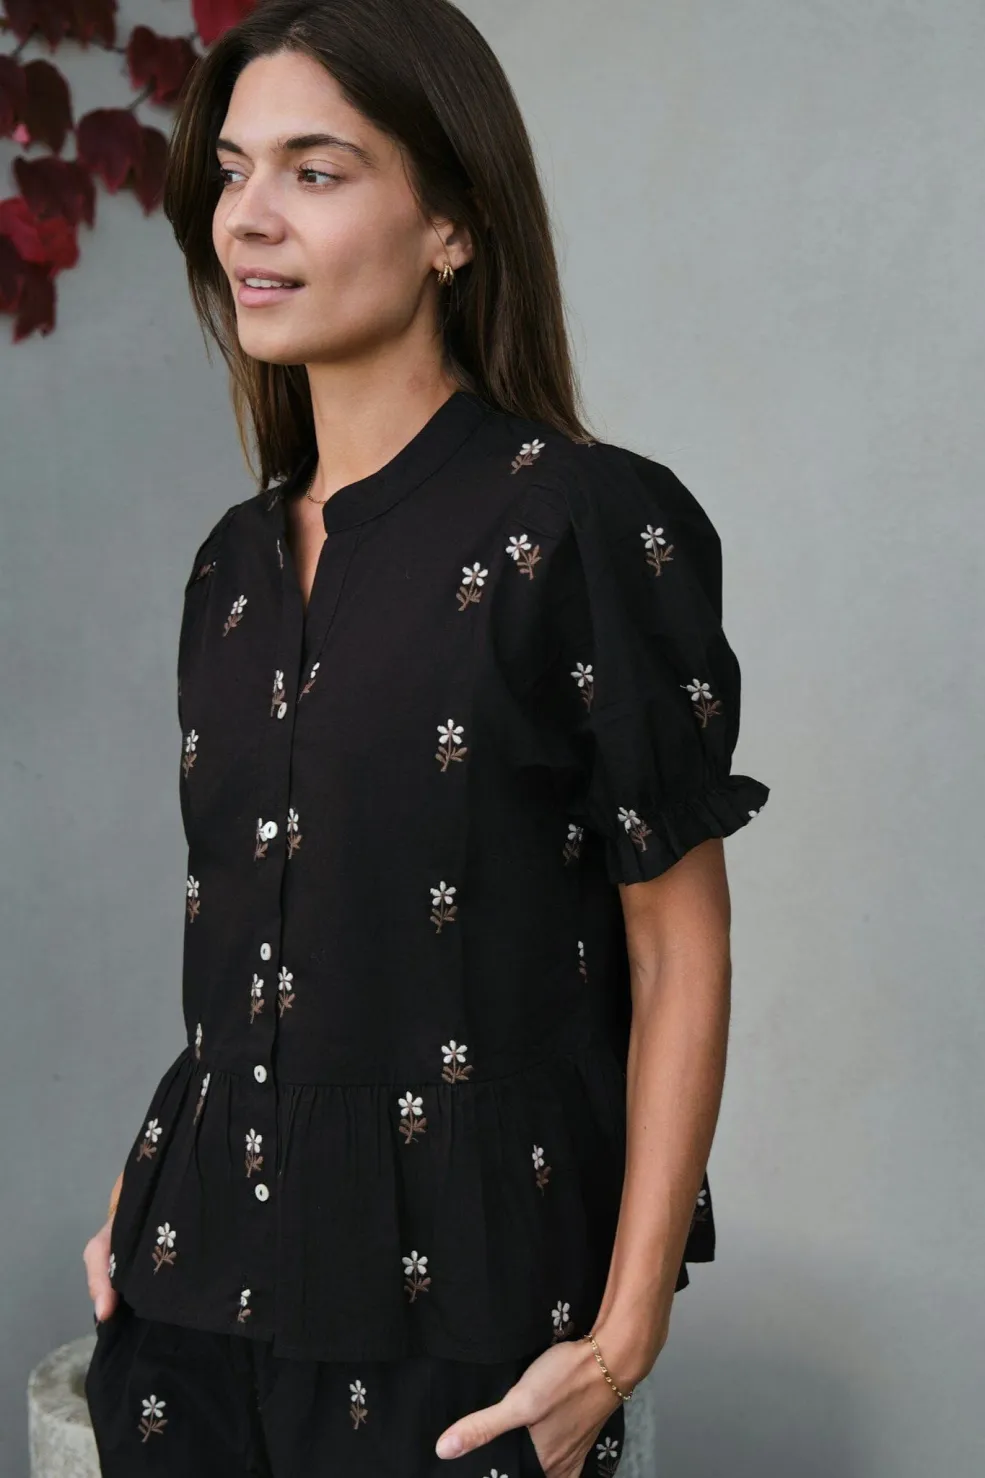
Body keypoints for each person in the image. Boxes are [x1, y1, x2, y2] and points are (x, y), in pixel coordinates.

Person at [81, 0, 770, 1473]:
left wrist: (624, 1334)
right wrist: (160, 1193)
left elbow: (678, 949)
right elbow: (267, 945)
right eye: (234, 171)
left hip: (463, 1324)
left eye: (315, 171)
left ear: (452, 224)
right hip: (190, 1308)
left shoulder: (579, 525)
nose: (248, 217)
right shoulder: (230, 566)